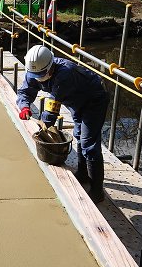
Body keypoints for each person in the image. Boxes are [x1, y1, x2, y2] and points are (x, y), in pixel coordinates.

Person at [17, 45, 109, 203]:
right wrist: (24, 106)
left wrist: (43, 128)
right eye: (35, 75)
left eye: (41, 74)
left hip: (94, 99)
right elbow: (24, 92)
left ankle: (97, 191)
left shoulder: (64, 74)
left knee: (89, 143)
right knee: (79, 134)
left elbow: (51, 111)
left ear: (50, 66)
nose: (37, 77)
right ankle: (83, 173)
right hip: (75, 100)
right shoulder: (33, 72)